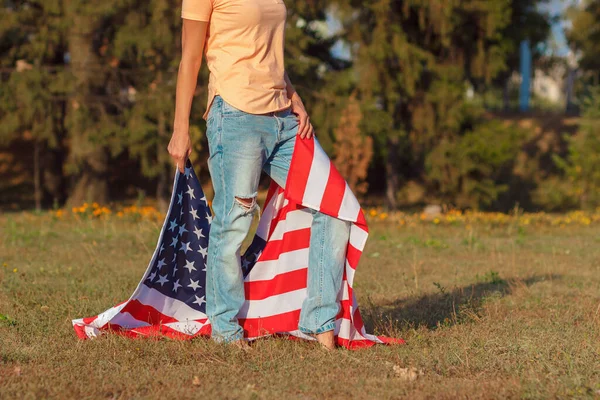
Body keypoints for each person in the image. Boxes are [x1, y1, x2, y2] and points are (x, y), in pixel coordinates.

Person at [167, 0, 350, 350]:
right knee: (234, 221)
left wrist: (294, 96)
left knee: (333, 204)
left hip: (283, 117)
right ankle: (224, 327)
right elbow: (189, 59)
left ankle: (319, 320)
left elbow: (268, 54)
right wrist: (180, 129)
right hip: (236, 115)